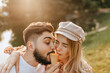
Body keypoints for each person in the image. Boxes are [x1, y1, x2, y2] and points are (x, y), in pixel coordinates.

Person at [0, 22, 92, 73]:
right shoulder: (48, 60)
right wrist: (15, 53)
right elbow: (29, 50)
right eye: (56, 42)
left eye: (65, 45)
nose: (55, 48)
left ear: (74, 49)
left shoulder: (83, 69)